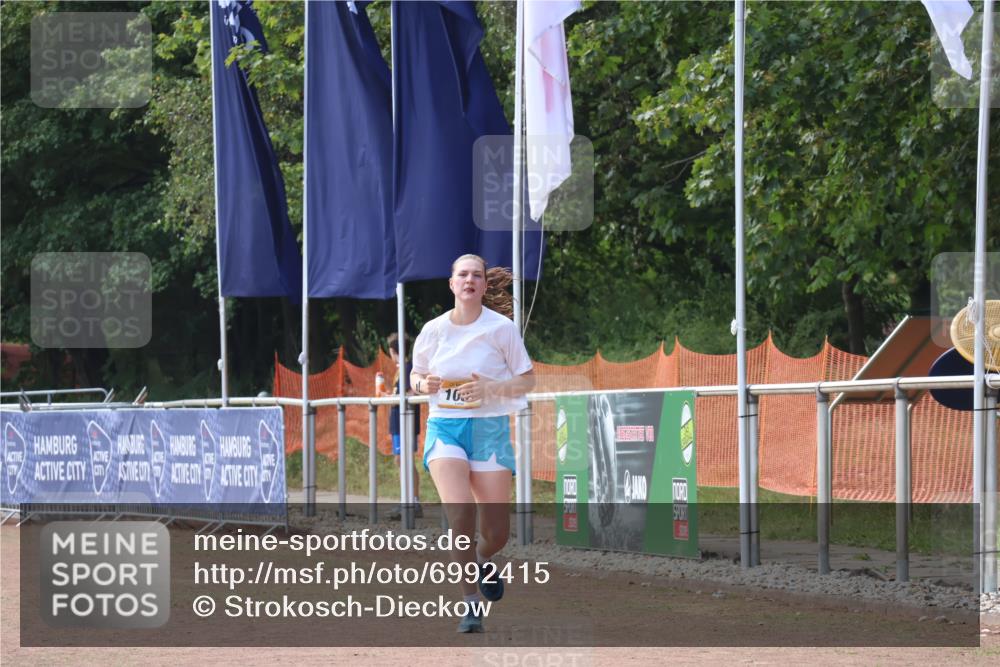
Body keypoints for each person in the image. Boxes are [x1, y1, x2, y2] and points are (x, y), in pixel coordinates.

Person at [410, 254, 535, 634]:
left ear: (483, 285)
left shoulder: (502, 330)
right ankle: (470, 604)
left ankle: (481, 559)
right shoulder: (432, 330)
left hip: (489, 431)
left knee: (496, 533)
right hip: (446, 428)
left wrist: (490, 387)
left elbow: (527, 381)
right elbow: (415, 375)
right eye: (462, 275)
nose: (469, 280)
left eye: (476, 275)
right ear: (451, 284)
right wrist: (422, 385)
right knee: (460, 514)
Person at [381, 333, 422, 519]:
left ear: (393, 351)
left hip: (406, 419)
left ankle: (412, 501)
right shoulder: (402, 369)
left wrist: (393, 397)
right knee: (401, 460)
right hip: (398, 419)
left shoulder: (408, 367)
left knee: (405, 460)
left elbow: (410, 392)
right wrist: (390, 396)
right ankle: (408, 500)